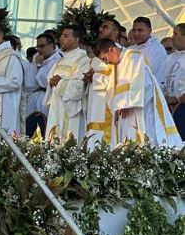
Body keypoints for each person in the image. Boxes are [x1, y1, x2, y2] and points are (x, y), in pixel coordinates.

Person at [96, 39, 181, 147]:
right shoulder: (117, 65)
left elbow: (144, 83)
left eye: (105, 59)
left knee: (147, 138)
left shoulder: (134, 57)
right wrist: (117, 106)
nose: (106, 63)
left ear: (112, 50)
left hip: (142, 108)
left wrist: (128, 103)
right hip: (126, 113)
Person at [43, 26, 90, 142]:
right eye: (61, 36)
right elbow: (50, 78)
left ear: (76, 39)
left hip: (69, 108)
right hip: (56, 106)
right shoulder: (61, 59)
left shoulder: (83, 60)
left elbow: (79, 87)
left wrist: (59, 82)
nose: (61, 39)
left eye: (66, 36)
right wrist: (51, 82)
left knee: (67, 141)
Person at [84, 18, 122, 148]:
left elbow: (116, 76)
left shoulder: (121, 54)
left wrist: (95, 75)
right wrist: (87, 77)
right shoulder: (94, 57)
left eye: (105, 27)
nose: (100, 30)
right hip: (94, 102)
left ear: (116, 32)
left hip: (109, 102)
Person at [25, 33, 62, 120]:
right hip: (32, 98)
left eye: (42, 46)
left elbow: (47, 81)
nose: (39, 49)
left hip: (48, 100)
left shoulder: (60, 59)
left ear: (51, 46)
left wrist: (39, 66)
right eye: (37, 47)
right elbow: (29, 81)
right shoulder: (36, 57)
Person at [130, 16, 168, 85]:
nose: (136, 34)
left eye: (140, 30)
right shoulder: (130, 49)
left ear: (150, 31)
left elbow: (147, 72)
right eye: (134, 30)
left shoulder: (157, 49)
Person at [164, 23, 185, 110]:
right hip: (167, 108)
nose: (172, 37)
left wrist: (176, 98)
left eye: (175, 34)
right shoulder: (168, 59)